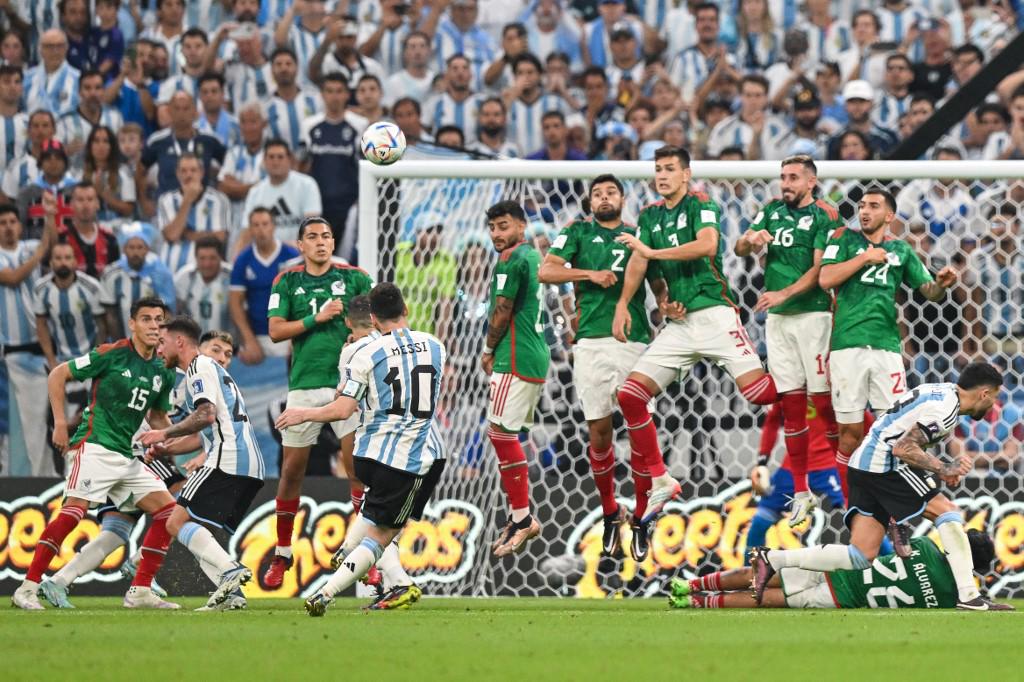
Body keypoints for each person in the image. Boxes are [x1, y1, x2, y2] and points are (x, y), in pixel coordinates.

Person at [750, 363, 1012, 611]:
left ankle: (773, 559)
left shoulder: (940, 391)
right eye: (994, 397)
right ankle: (969, 595)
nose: (993, 404)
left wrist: (939, 469)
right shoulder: (945, 410)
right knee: (948, 512)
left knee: (861, 555)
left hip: (863, 464)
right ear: (984, 393)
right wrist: (943, 468)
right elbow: (903, 448)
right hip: (883, 464)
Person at [612, 146, 782, 529]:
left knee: (760, 394)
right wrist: (644, 302)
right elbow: (641, 262)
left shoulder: (701, 203)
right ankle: (661, 479)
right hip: (681, 323)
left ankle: (818, 384)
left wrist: (652, 251)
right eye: (658, 169)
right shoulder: (649, 214)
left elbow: (707, 245)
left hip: (715, 314)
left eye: (669, 169)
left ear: (686, 174)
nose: (662, 175)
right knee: (630, 396)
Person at [274, 282, 446, 617]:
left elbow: (342, 408)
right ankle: (327, 591)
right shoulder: (435, 346)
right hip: (410, 457)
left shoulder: (363, 353)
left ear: (374, 319)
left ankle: (349, 550)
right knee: (383, 534)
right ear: (405, 310)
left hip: (368, 453)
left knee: (376, 512)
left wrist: (303, 413)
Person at [11, 297, 179, 611]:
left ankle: (141, 590)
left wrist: (179, 437)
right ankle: (27, 588)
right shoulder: (112, 353)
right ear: (132, 324)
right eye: (146, 319)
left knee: (170, 514)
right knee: (73, 514)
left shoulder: (162, 370)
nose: (154, 325)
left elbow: (158, 418)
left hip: (126, 456)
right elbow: (58, 374)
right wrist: (60, 423)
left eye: (159, 320)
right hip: (95, 446)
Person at [539, 174, 670, 560]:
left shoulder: (638, 235)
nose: (603, 198)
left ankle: (642, 517)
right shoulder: (577, 231)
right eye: (597, 194)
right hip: (591, 342)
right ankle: (611, 512)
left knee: (639, 432)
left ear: (623, 199)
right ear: (590, 202)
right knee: (599, 433)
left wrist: (667, 305)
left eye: (611, 192)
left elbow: (659, 284)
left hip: (634, 340)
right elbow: (547, 271)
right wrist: (588, 274)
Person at [262, 216, 373, 588]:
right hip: (305, 386)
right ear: (300, 245)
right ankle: (282, 553)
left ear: (333, 242)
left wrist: (358, 337)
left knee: (355, 470)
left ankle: (364, 557)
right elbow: (276, 331)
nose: (321, 241)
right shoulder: (287, 281)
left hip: (348, 384)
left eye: (326, 235)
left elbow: (371, 325)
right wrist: (317, 317)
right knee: (292, 471)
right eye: (312, 236)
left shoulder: (355, 278)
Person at [819, 186, 957, 479]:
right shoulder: (843, 238)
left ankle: (889, 500)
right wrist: (863, 259)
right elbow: (825, 278)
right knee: (850, 433)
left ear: (889, 215)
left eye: (873, 206)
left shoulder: (901, 250)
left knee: (895, 430)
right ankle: (849, 498)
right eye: (862, 206)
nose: (864, 211)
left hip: (886, 347)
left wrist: (941, 284)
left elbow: (930, 292)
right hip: (847, 345)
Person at [733, 155, 842, 523]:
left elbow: (821, 268)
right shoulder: (771, 210)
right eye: (783, 177)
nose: (785, 183)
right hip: (778, 321)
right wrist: (749, 241)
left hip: (814, 317)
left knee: (824, 407)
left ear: (811, 182)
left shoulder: (826, 214)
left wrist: (783, 293)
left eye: (793, 177)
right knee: (790, 405)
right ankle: (800, 493)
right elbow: (739, 248)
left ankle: (849, 482)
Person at [139, 315, 265, 610]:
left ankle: (230, 571)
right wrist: (165, 448)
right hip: (248, 464)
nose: (159, 349)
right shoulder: (210, 370)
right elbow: (203, 433)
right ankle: (231, 595)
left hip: (227, 459)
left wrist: (163, 432)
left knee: (175, 522)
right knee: (194, 529)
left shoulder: (199, 367)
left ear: (179, 341)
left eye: (162, 342)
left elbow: (205, 415)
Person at [672, 532, 1000, 610]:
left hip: (843, 565)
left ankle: (691, 584)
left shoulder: (926, 548)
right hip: (841, 598)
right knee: (770, 599)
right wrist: (992, 605)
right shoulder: (952, 598)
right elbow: (977, 603)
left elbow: (896, 545)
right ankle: (696, 603)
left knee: (761, 574)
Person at [480, 200, 549, 557]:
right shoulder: (533, 256)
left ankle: (523, 518)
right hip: (533, 353)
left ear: (522, 226)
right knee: (504, 434)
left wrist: (488, 348)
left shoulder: (511, 258)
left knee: (500, 434)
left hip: (516, 355)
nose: (496, 234)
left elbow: (502, 310)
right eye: (492, 228)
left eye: (503, 226)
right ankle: (518, 515)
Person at [0, 202, 57, 476]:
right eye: (3, 223)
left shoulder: (31, 246)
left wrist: (50, 217)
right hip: (12, 352)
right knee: (21, 422)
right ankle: (21, 476)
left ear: (20, 225)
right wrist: (40, 252)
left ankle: (47, 474)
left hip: (43, 347)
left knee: (47, 418)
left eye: (13, 221)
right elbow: (12, 278)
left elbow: (53, 245)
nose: (8, 227)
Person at [298, 73, 365, 249]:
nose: (334, 96)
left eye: (339, 91)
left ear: (347, 94)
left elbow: (366, 165)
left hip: (349, 205)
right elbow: (301, 164)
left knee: (344, 257)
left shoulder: (360, 125)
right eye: (329, 91)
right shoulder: (309, 126)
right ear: (322, 94)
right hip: (317, 205)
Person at [229, 208, 298, 365]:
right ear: (250, 229)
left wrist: (297, 337)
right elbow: (235, 302)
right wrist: (249, 339)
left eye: (265, 224)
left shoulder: (292, 256)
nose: (261, 230)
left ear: (273, 226)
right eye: (256, 225)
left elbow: (303, 299)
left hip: (288, 334)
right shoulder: (243, 259)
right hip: (257, 336)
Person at [156, 153, 232, 270]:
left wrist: (187, 233)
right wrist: (187, 200)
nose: (188, 175)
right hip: (172, 268)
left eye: (193, 170)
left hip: (207, 269)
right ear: (177, 174)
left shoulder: (219, 200)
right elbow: (172, 235)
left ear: (201, 173)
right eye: (184, 171)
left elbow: (219, 238)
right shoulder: (166, 200)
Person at [140, 91, 226, 196]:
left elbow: (228, 168)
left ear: (194, 112)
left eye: (186, 108)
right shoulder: (157, 141)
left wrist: (218, 191)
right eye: (177, 108)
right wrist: (144, 200)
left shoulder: (209, 140)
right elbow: (140, 170)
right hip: (167, 204)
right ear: (169, 111)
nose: (181, 114)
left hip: (201, 203)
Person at [100, 222, 176, 338]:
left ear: (147, 249)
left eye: (140, 247)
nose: (135, 252)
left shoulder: (161, 274)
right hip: (123, 338)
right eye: (131, 247)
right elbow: (110, 314)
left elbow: (168, 313)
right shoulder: (111, 274)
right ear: (124, 249)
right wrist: (120, 343)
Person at [242, 139, 322, 247]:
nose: (275, 162)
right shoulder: (255, 192)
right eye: (271, 157)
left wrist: (281, 249)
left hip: (300, 251)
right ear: (264, 161)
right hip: (265, 252)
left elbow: (313, 229)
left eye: (280, 157)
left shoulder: (307, 185)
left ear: (289, 160)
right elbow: (246, 232)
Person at [57, 70, 124, 168]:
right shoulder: (64, 123)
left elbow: (123, 151)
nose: (93, 93)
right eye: (87, 88)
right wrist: (65, 151)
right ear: (79, 92)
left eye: (98, 88)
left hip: (110, 174)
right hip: (75, 175)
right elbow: (53, 156)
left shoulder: (115, 117)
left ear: (103, 91)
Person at [56, 182, 121, 278]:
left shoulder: (109, 238)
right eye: (80, 200)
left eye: (90, 199)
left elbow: (115, 275)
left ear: (97, 204)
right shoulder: (60, 237)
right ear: (71, 204)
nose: (85, 205)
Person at [265, 47, 323, 153]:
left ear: (296, 68)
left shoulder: (315, 100)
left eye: (288, 64)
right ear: (271, 70)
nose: (284, 69)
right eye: (278, 64)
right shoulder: (266, 107)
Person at [174, 235, 232, 332]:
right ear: (195, 258)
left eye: (212, 258)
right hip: (193, 339)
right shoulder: (184, 277)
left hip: (226, 340)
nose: (207, 264)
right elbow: (175, 311)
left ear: (221, 257)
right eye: (202, 258)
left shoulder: (232, 277)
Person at [82, 125, 136, 229]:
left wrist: (103, 194)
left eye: (105, 141)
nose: (101, 145)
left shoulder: (123, 171)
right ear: (90, 146)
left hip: (120, 227)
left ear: (112, 146)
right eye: (96, 141)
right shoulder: (80, 174)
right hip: (91, 228)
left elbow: (129, 210)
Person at [24, 29, 81, 114]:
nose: (55, 51)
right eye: (49, 46)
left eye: (60, 46)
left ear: (66, 48)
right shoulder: (26, 78)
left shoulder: (78, 79)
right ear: (40, 49)